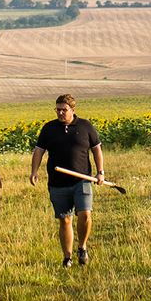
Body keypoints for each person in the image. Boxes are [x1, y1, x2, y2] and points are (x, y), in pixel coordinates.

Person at [29, 93, 105, 268]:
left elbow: (96, 150)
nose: (60, 113)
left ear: (73, 110)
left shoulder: (85, 126)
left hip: (82, 180)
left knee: (85, 214)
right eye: (58, 110)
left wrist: (100, 172)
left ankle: (82, 247)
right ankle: (67, 257)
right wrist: (34, 171)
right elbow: (39, 151)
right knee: (65, 220)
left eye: (64, 110)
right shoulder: (49, 128)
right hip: (57, 182)